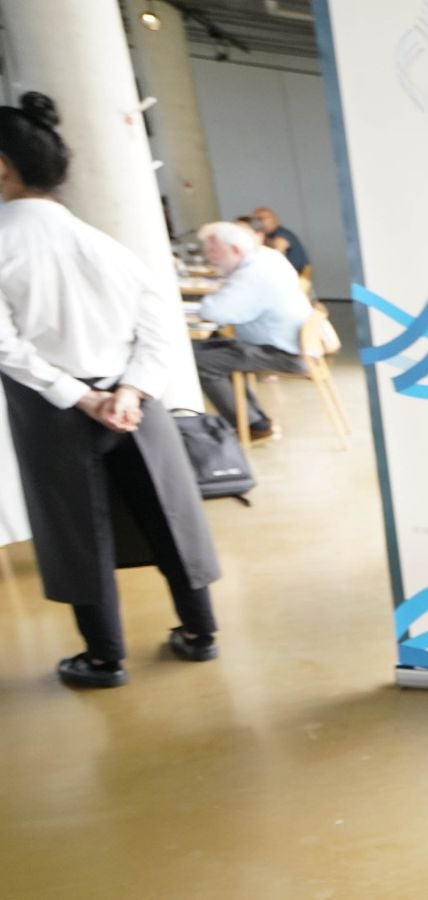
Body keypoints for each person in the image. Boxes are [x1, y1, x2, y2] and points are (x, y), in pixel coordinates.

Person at [0, 92, 222, 688]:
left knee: (77, 529)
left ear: (2, 165)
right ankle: (200, 633)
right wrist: (129, 392)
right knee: (168, 512)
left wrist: (80, 396)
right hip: (134, 407)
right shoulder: (104, 244)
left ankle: (104, 658)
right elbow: (159, 330)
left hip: (56, 412)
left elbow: (5, 346)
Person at [194, 220, 312, 440]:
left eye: (212, 250)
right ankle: (255, 418)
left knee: (199, 363)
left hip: (283, 352)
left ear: (235, 250)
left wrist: (219, 293)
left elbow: (214, 312)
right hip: (287, 343)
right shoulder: (266, 257)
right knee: (201, 349)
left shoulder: (253, 272)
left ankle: (253, 426)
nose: (208, 256)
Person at [252, 206, 309, 274]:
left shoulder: (281, 234)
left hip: (296, 275)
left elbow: (276, 256)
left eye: (260, 219)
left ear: (274, 219)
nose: (256, 223)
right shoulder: (269, 236)